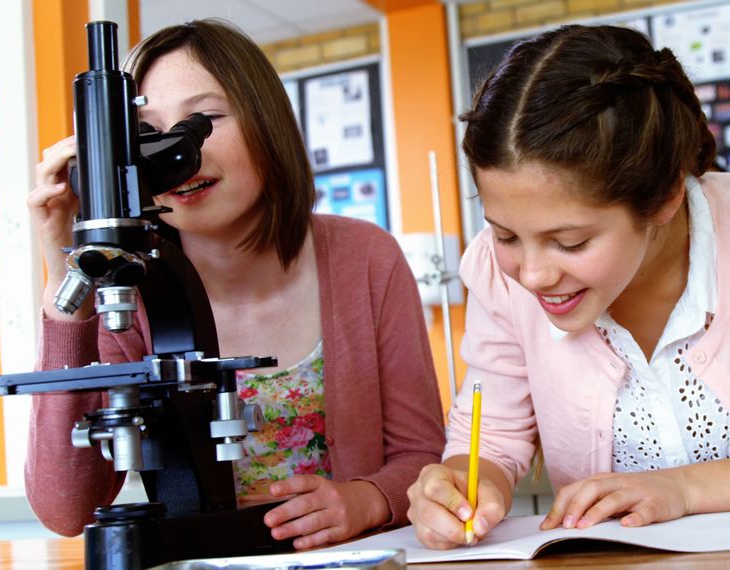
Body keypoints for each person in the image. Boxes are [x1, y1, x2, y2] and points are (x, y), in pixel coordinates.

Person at [407, 25, 730, 550]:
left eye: (569, 243)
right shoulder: (493, 273)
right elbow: (493, 440)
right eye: (506, 234)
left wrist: (684, 488)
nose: (531, 275)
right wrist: (462, 484)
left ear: (665, 197)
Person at [25, 19, 445, 549]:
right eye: (149, 133)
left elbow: (423, 457)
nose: (179, 152)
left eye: (203, 120)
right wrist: (67, 286)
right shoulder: (127, 293)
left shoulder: (365, 258)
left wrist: (368, 498)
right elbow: (66, 510)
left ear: (266, 121)